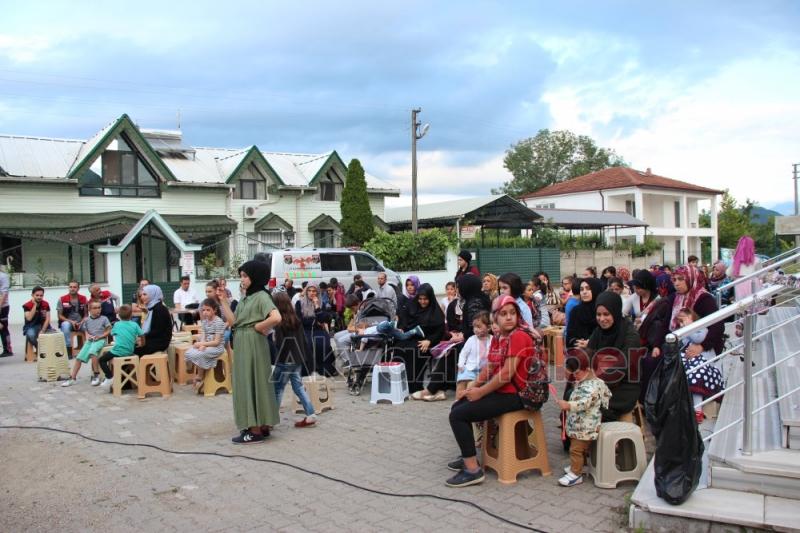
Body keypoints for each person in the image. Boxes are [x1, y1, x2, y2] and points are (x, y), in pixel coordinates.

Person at [445, 296, 537, 488]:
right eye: (503, 314)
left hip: (517, 396)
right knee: (458, 406)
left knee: (459, 416)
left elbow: (506, 374)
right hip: (502, 392)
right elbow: (489, 367)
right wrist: (472, 387)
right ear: (495, 318)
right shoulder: (498, 338)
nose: (509, 318)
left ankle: (472, 470)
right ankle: (468, 457)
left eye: (513, 313)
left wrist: (480, 392)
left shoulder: (519, 336)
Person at [219, 260, 282, 444]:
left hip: (252, 342)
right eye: (242, 276)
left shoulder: (262, 295)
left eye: (246, 276)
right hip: (245, 340)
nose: (243, 279)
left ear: (255, 277)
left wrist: (258, 326)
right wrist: (223, 301)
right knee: (253, 381)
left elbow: (276, 317)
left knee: (250, 382)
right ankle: (261, 426)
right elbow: (234, 322)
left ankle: (254, 430)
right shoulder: (247, 297)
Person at [556, 354, 611, 487]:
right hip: (583, 425)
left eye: (576, 373)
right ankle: (579, 466)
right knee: (581, 450)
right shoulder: (594, 383)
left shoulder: (590, 387)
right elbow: (607, 395)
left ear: (588, 369)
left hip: (584, 427)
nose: (573, 375)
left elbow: (584, 403)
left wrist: (568, 405)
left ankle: (576, 474)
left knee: (576, 450)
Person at [586, 291, 641, 421]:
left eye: (606, 314)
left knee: (589, 403)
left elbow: (623, 366)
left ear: (615, 312)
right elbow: (587, 356)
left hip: (625, 385)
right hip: (600, 381)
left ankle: (593, 438)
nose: (601, 319)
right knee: (573, 395)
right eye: (598, 314)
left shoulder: (630, 335)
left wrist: (594, 382)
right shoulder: (598, 332)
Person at [270, 292, 317, 428]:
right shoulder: (296, 319)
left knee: (277, 388)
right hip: (297, 359)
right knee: (298, 387)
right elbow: (303, 340)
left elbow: (279, 344)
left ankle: (272, 418)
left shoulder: (279, 323)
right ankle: (310, 414)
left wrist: (273, 339)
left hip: (284, 360)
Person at [675, 307, 724, 424]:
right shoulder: (685, 331)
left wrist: (689, 328)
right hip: (690, 362)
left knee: (696, 375)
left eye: (684, 319)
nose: (682, 323)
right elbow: (681, 344)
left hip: (706, 365)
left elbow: (698, 339)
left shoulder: (701, 328)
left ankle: (698, 410)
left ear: (692, 317)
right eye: (680, 321)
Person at [398, 283, 446, 395]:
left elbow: (440, 332)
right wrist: (401, 329)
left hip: (428, 341)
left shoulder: (436, 312)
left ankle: (414, 386)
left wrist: (429, 341)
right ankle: (399, 384)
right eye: (420, 299)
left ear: (431, 298)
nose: (422, 302)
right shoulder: (412, 307)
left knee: (415, 351)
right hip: (411, 337)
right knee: (398, 347)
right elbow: (405, 323)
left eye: (425, 299)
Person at [671, 265, 724, 356]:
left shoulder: (704, 298)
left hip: (704, 349)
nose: (676, 283)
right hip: (683, 344)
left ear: (691, 279)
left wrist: (702, 346)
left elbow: (718, 326)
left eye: (680, 279)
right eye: (674, 280)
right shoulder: (678, 297)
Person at [61, 301, 111, 387]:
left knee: (92, 352)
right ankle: (72, 378)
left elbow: (109, 330)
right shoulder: (87, 320)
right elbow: (85, 330)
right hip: (90, 341)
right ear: (89, 310)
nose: (98, 310)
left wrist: (101, 336)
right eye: (95, 308)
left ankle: (96, 375)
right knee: (79, 357)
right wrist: (88, 336)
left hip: (100, 340)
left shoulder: (104, 318)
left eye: (99, 307)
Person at [184, 298, 227, 390]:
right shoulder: (205, 321)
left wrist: (204, 344)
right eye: (203, 310)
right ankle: (191, 368)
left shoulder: (218, 322)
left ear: (214, 310)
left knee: (200, 354)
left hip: (217, 347)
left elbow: (217, 342)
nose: (205, 312)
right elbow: (204, 335)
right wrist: (201, 344)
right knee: (188, 352)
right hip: (207, 345)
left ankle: (200, 376)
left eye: (208, 310)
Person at [97, 305, 143, 389]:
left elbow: (112, 334)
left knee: (101, 360)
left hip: (118, 351)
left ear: (119, 315)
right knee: (110, 354)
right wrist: (142, 343)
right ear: (131, 315)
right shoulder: (135, 324)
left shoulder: (117, 324)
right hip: (130, 351)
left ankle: (110, 377)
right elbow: (142, 335)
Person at [296, 282, 335, 376]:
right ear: (306, 292)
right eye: (309, 290)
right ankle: (308, 368)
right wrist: (314, 321)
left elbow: (323, 319)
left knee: (322, 343)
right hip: (305, 329)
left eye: (314, 291)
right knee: (307, 342)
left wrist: (317, 306)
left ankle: (323, 368)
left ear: (317, 293)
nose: (311, 293)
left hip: (319, 330)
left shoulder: (322, 303)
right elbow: (299, 320)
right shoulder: (299, 303)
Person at [455, 312, 492, 396]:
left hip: (484, 370)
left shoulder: (492, 340)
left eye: (478, 327)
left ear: (489, 327)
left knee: (471, 386)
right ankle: (457, 400)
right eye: (474, 326)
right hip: (469, 368)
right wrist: (461, 364)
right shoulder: (471, 340)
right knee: (462, 383)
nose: (475, 329)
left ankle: (468, 402)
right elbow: (463, 353)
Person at [134, 285, 173, 356]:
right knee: (129, 346)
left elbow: (158, 331)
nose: (142, 297)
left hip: (160, 342)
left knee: (133, 349)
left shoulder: (160, 309)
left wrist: (142, 337)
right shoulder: (152, 307)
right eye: (141, 295)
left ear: (152, 294)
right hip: (154, 339)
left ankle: (142, 367)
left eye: (145, 294)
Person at [565, 278, 602, 349]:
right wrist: (578, 342)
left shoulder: (602, 311)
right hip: (580, 353)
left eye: (588, 289)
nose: (584, 292)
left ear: (595, 289)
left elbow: (607, 337)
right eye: (581, 289)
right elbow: (569, 338)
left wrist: (591, 343)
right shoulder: (576, 311)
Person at [56, 280, 88, 358]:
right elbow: (59, 316)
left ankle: (88, 349)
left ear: (78, 288)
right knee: (66, 326)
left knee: (89, 325)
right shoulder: (62, 299)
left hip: (81, 322)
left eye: (74, 287)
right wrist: (71, 321)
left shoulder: (84, 298)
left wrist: (82, 321)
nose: (72, 289)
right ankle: (69, 350)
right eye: (70, 287)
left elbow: (86, 315)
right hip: (68, 322)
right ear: (68, 288)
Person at [727, 235, 762, 302]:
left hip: (739, 283)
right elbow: (761, 275)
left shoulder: (735, 261)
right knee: (754, 304)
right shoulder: (757, 260)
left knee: (742, 306)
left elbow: (728, 273)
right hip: (753, 283)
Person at [22, 286, 52, 352]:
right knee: (31, 335)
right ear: (32, 295)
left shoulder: (46, 304)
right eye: (37, 295)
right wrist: (34, 305)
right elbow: (29, 318)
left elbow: (48, 319)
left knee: (54, 336)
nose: (39, 297)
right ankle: (41, 350)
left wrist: (43, 330)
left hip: (44, 326)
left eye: (41, 295)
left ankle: (47, 351)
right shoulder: (27, 305)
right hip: (31, 326)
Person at [0, 269, 10, 357]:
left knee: (3, 328)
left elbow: (4, 293)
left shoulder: (3, 276)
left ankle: (7, 350)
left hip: (3, 307)